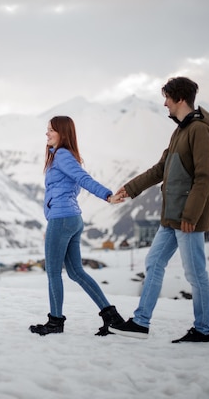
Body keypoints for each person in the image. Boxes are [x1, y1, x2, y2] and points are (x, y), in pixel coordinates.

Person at [110, 77, 209, 343]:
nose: (164, 103)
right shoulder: (181, 130)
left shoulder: (199, 131)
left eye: (167, 97)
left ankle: (203, 330)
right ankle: (140, 322)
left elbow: (205, 177)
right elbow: (161, 169)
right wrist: (129, 188)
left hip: (187, 219)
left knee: (195, 274)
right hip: (171, 217)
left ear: (179, 99)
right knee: (154, 262)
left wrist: (190, 215)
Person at [29, 115, 127, 336]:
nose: (47, 133)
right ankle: (111, 316)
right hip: (73, 219)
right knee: (76, 272)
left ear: (63, 133)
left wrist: (107, 196)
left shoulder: (62, 156)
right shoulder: (66, 156)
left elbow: (84, 179)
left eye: (51, 130)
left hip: (62, 219)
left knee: (54, 272)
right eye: (47, 129)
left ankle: (55, 322)